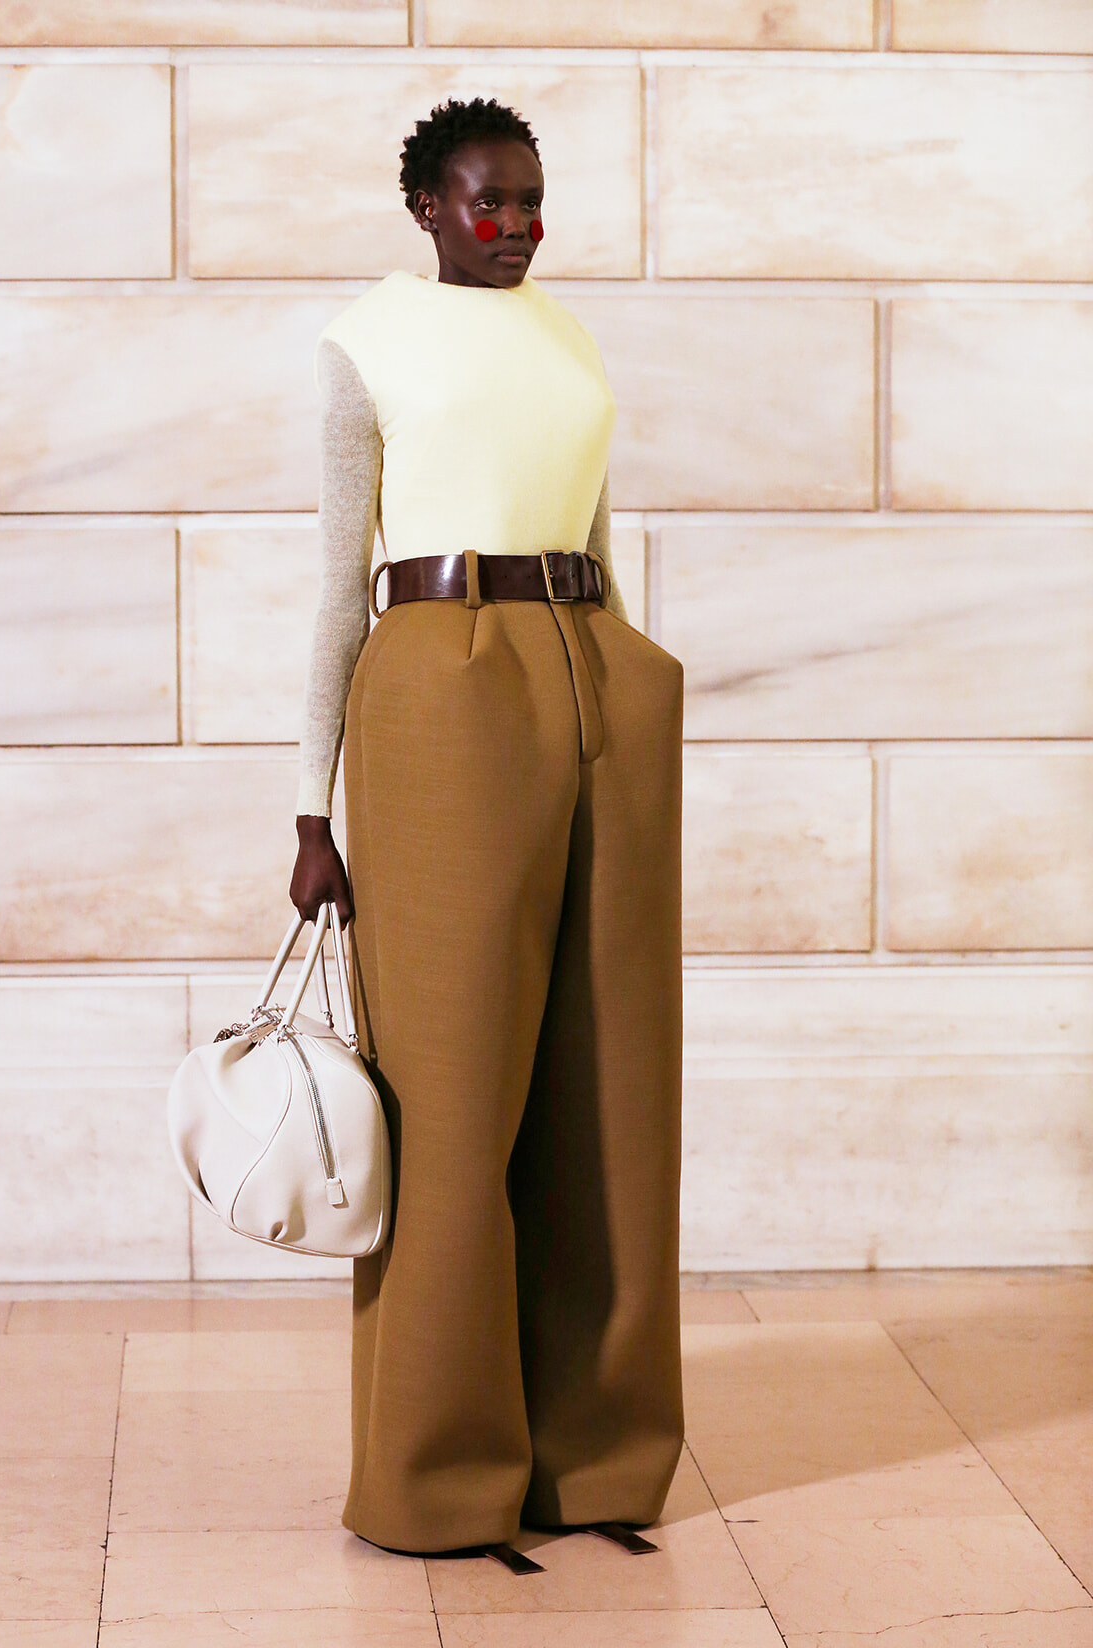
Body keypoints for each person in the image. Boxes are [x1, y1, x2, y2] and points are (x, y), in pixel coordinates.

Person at [288, 96, 685, 1570]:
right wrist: (313, 806)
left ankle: (595, 1461)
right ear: (425, 208)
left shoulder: (570, 339)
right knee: (450, 1095)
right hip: (437, 679)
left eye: (529, 199)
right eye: (483, 202)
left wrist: (628, 698)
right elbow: (339, 586)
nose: (513, 224)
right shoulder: (367, 341)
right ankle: (439, 1475)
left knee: (609, 1078)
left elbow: (594, 531)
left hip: (592, 674)